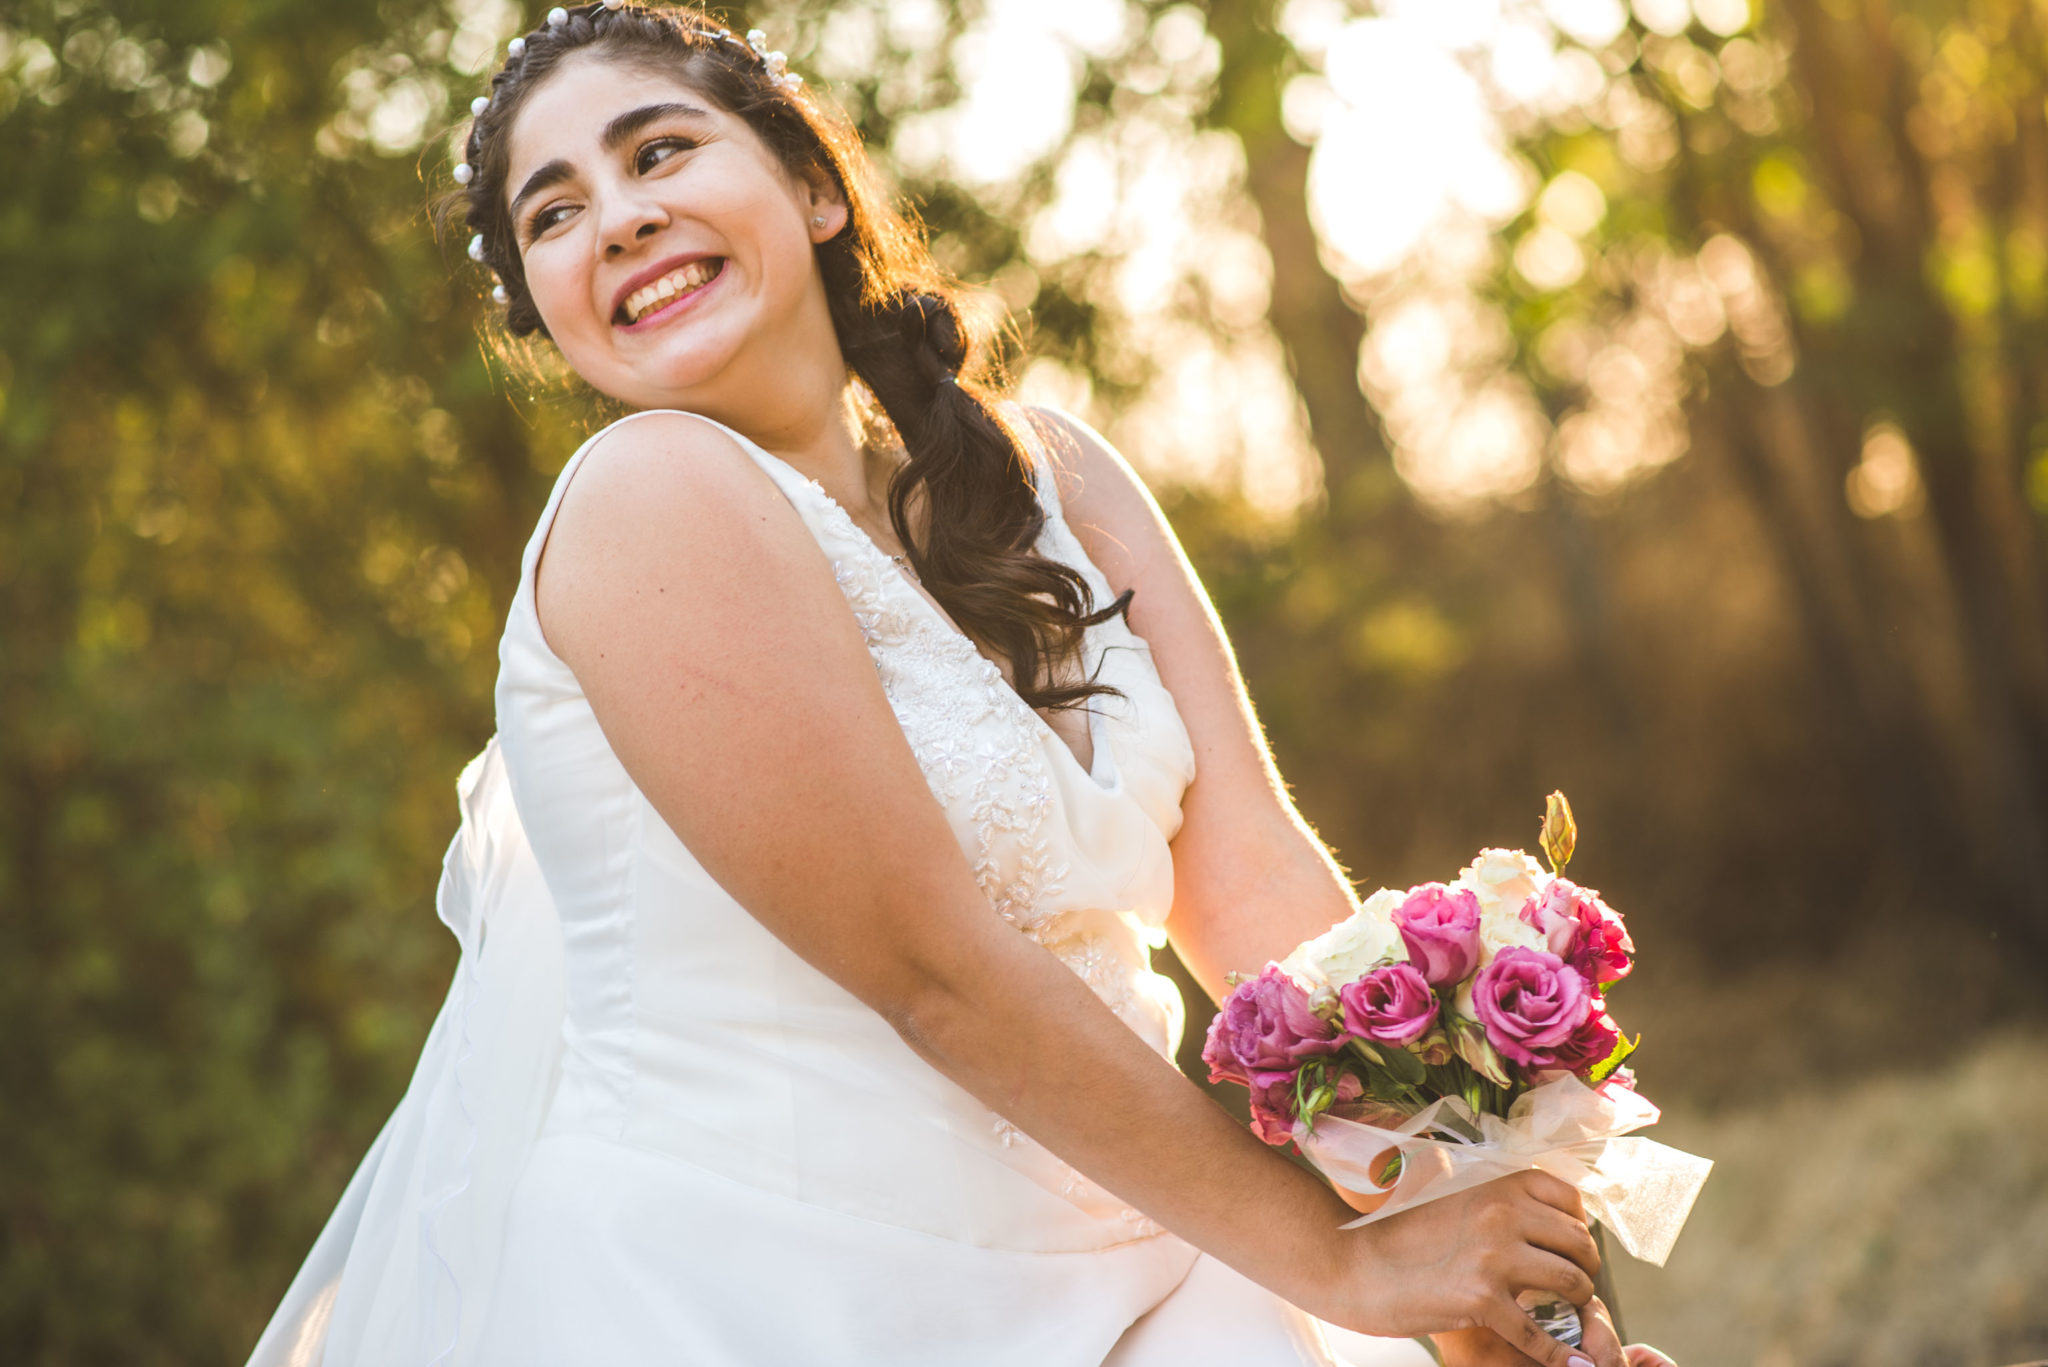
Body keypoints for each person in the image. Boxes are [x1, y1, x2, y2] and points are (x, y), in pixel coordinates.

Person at [244, 5, 1676, 1366]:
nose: (615, 215)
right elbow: (937, 974)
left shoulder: (1056, 474)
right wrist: (1350, 1269)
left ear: (812, 188)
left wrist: (1455, 1240)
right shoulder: (644, 502)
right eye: (551, 214)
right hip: (776, 1300)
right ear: (547, 307)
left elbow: (1252, 897)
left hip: (1153, 1250)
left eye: (659, 151)